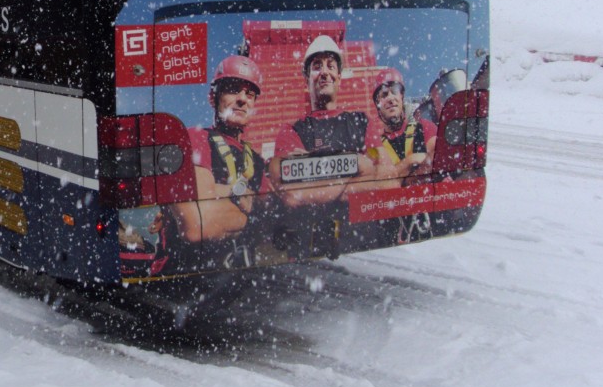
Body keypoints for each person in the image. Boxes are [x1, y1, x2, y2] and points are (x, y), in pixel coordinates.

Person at [163, 55, 271, 243]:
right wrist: (242, 197)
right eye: (233, 90)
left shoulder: (258, 161)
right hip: (192, 267)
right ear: (214, 97)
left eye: (249, 94)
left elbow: (273, 211)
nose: (242, 99)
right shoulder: (195, 138)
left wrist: (220, 192)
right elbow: (199, 223)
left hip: (243, 268)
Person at [270, 34, 374, 211]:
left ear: (339, 77)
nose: (325, 72)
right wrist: (357, 164)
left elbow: (386, 175)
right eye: (317, 66)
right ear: (307, 79)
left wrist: (311, 163)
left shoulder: (362, 122)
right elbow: (292, 194)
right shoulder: (291, 131)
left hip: (363, 232)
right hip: (313, 234)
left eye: (330, 66)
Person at [366, 67, 437, 185]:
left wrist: (399, 177)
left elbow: (436, 162)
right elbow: (375, 184)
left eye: (394, 91)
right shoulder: (375, 148)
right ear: (377, 105)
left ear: (402, 97)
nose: (390, 98)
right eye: (384, 95)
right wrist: (410, 161)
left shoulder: (425, 128)